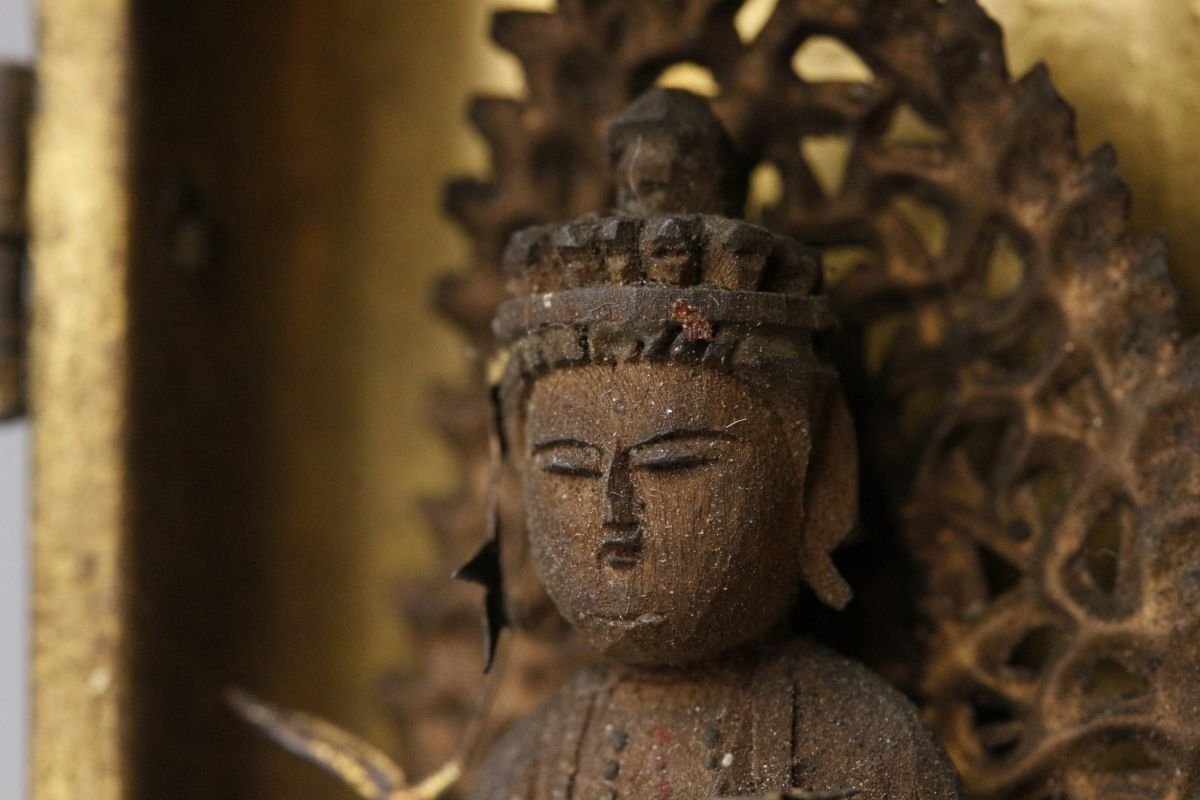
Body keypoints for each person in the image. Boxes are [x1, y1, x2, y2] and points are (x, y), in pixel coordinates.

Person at [468, 88, 963, 800]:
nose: (616, 520)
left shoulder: (865, 748)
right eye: (569, 469)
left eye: (672, 464)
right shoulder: (527, 766)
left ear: (817, 475)